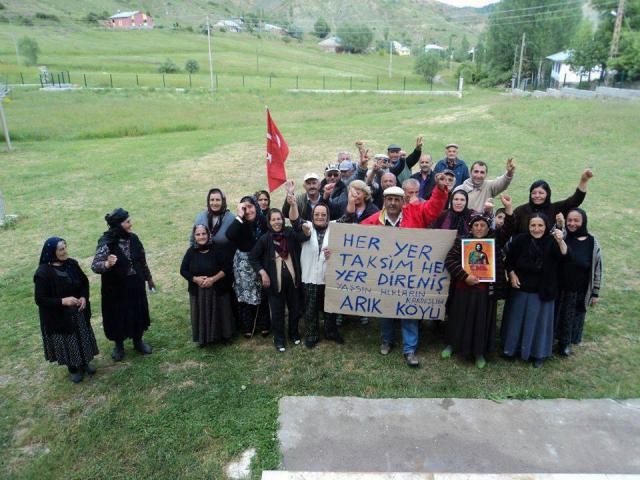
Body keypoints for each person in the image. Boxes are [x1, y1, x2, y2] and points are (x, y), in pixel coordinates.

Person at [340, 175, 449, 366]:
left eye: (396, 200)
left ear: (403, 201)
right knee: (386, 309)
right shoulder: (374, 220)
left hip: (410, 276)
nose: (392, 203)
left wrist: (439, 190)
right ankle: (386, 340)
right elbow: (356, 241)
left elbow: (434, 208)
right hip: (384, 278)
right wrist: (336, 250)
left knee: (409, 312)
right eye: (389, 199)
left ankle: (409, 349)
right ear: (384, 201)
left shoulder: (416, 213)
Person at [442, 195, 514, 368]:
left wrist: (509, 209)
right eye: (476, 225)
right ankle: (452, 344)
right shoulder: (462, 241)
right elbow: (449, 260)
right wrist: (465, 276)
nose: (479, 228)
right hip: (463, 288)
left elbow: (509, 229)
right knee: (458, 318)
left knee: (482, 321)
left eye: (483, 225)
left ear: (488, 227)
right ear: (471, 227)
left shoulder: (494, 241)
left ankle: (479, 352)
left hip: (485, 291)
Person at [502, 212, 568, 368]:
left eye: (540, 225)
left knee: (539, 324)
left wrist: (561, 241)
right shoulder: (520, 240)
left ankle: (537, 354)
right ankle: (511, 349)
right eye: (533, 225)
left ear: (546, 227)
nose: (536, 229)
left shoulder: (552, 242)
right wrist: (511, 275)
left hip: (542, 291)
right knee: (516, 321)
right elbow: (508, 260)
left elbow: (565, 257)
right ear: (528, 226)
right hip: (520, 289)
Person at [92, 208, 155, 361]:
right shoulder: (106, 243)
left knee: (137, 312)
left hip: (135, 285)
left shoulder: (134, 238)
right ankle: (119, 346)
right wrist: (107, 263)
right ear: (119, 225)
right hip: (116, 289)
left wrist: (149, 278)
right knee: (117, 315)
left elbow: (142, 260)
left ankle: (138, 341)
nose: (130, 224)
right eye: (127, 222)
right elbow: (95, 266)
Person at [35, 237, 99, 383]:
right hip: (58, 315)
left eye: (65, 247)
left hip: (77, 311)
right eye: (61, 249)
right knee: (68, 341)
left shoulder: (72, 264)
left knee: (81, 336)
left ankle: (84, 362)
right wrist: (63, 301)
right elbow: (40, 299)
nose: (65, 252)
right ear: (52, 252)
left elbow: (84, 283)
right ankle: (73, 368)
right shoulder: (43, 273)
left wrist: (83, 297)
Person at [249, 205, 305, 352]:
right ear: (269, 222)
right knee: (277, 312)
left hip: (293, 282)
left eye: (279, 219)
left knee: (295, 309)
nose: (277, 222)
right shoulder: (265, 239)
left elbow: (303, 237)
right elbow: (253, 257)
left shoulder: (290, 233)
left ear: (283, 219)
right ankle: (279, 338)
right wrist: (262, 272)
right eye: (273, 219)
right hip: (275, 284)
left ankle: (294, 333)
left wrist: (305, 230)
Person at [555, 208, 603, 356]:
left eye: (576, 220)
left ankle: (565, 343)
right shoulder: (562, 235)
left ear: (583, 222)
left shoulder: (592, 242)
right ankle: (552, 339)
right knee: (557, 314)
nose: (572, 223)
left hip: (579, 288)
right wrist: (560, 225)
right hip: (559, 285)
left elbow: (597, 269)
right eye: (570, 220)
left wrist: (595, 292)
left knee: (573, 315)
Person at [180, 224, 234, 347]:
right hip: (198, 290)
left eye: (204, 233)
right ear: (194, 236)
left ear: (208, 234)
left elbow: (227, 267)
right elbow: (183, 270)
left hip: (217, 287)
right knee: (200, 313)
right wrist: (195, 279)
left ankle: (225, 336)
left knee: (222, 312)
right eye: (198, 234)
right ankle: (203, 338)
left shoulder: (217, 249)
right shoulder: (190, 252)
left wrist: (213, 279)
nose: (201, 237)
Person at [226, 195, 270, 338]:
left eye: (250, 207)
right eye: (244, 208)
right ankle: (247, 326)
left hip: (261, 261)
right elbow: (230, 235)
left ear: (256, 207)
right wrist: (239, 216)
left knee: (262, 292)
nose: (248, 211)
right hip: (243, 264)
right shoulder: (239, 223)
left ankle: (264, 324)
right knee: (244, 295)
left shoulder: (263, 221)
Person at [512, 169, 593, 235]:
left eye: (541, 193)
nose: (537, 196)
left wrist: (583, 181)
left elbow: (575, 200)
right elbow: (510, 228)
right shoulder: (520, 211)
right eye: (533, 193)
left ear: (548, 194)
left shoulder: (555, 209)